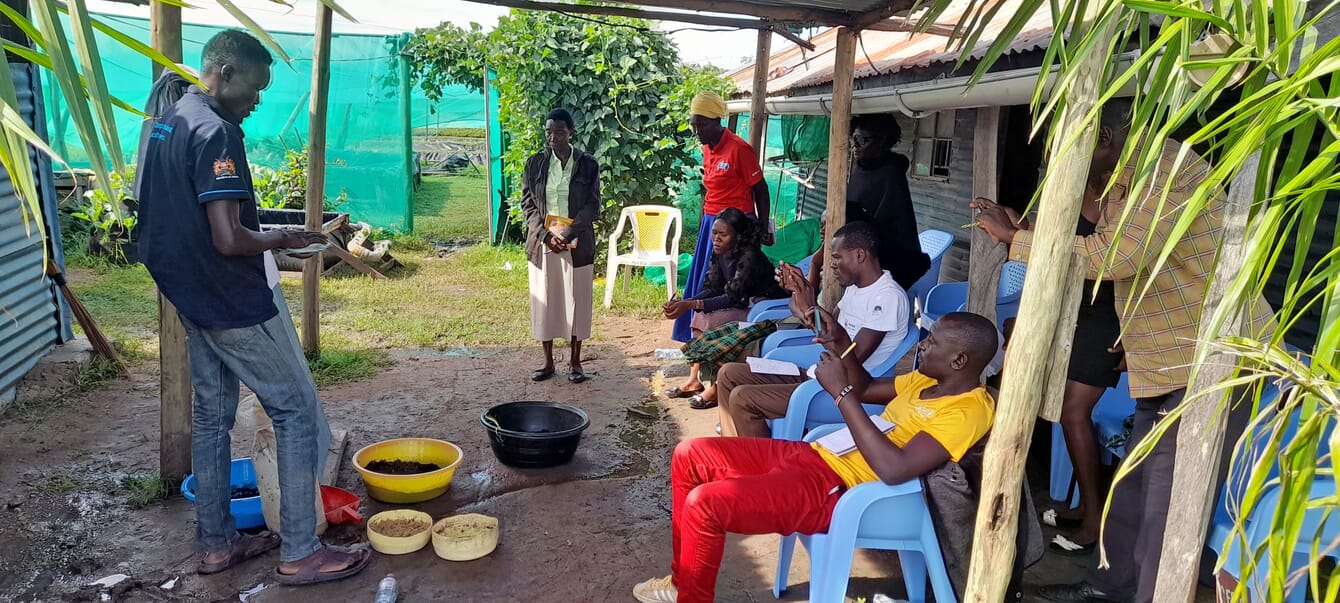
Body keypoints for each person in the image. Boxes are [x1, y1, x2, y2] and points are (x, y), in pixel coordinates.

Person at [971, 98, 1275, 603]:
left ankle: (1149, 594)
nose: (1060, 167)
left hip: (1213, 360)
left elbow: (1115, 256)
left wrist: (1018, 241)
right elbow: (1133, 260)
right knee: (1133, 488)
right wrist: (1026, 231)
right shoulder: (1124, 181)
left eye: (1071, 153)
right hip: (1168, 358)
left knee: (1166, 500)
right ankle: (1110, 586)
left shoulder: (1164, 173)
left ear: (1105, 140)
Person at [137, 30, 369, 585]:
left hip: (186, 293)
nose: (258, 100)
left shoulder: (166, 119)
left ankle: (216, 545)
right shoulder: (217, 132)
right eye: (255, 87)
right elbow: (228, 237)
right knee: (292, 410)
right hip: (227, 297)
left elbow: (171, 210)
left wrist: (267, 229)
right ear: (222, 71)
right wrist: (283, 240)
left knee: (213, 417)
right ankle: (300, 550)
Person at [632, 311, 1000, 603]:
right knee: (691, 453)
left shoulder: (969, 410)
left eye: (932, 342)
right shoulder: (926, 381)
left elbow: (895, 469)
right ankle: (684, 583)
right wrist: (842, 344)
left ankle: (691, 597)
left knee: (705, 504)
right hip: (819, 456)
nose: (923, 345)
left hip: (842, 490)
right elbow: (868, 388)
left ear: (959, 360)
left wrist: (841, 395)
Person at [716, 220, 910, 437]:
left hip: (842, 390)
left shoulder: (888, 297)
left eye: (836, 258)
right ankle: (733, 448)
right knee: (728, 373)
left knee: (743, 399)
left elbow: (850, 356)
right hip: (817, 375)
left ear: (859, 255)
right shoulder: (857, 289)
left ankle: (758, 465)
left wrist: (812, 308)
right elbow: (825, 330)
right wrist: (800, 295)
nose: (832, 265)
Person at [672, 91, 772, 344]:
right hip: (712, 222)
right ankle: (693, 338)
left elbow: (760, 188)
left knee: (734, 285)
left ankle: (720, 341)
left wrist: (762, 225)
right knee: (708, 277)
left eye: (702, 125)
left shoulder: (739, 149)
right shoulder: (707, 149)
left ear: (718, 121)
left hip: (737, 224)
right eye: (694, 125)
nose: (698, 131)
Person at [662, 207, 785, 409]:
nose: (716, 239)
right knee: (700, 317)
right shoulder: (719, 253)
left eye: (723, 234)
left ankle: (718, 387)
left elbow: (733, 296)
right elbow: (712, 288)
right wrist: (686, 302)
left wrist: (691, 304)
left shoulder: (750, 256)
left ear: (737, 236)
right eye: (714, 233)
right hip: (743, 305)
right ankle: (695, 379)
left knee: (708, 319)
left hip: (763, 309)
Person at [520, 108, 601, 384]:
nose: (552, 137)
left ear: (571, 133)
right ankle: (548, 362)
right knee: (546, 302)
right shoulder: (535, 165)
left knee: (576, 301)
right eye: (548, 131)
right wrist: (545, 235)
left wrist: (568, 232)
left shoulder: (588, 165)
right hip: (543, 244)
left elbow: (593, 205)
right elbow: (527, 204)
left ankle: (576, 362)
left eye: (558, 132)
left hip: (577, 242)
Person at [846, 113, 931, 290]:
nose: (855, 145)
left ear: (882, 141)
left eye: (863, 139)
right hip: (853, 252)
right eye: (853, 138)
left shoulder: (891, 175)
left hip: (883, 261)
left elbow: (888, 227)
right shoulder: (859, 170)